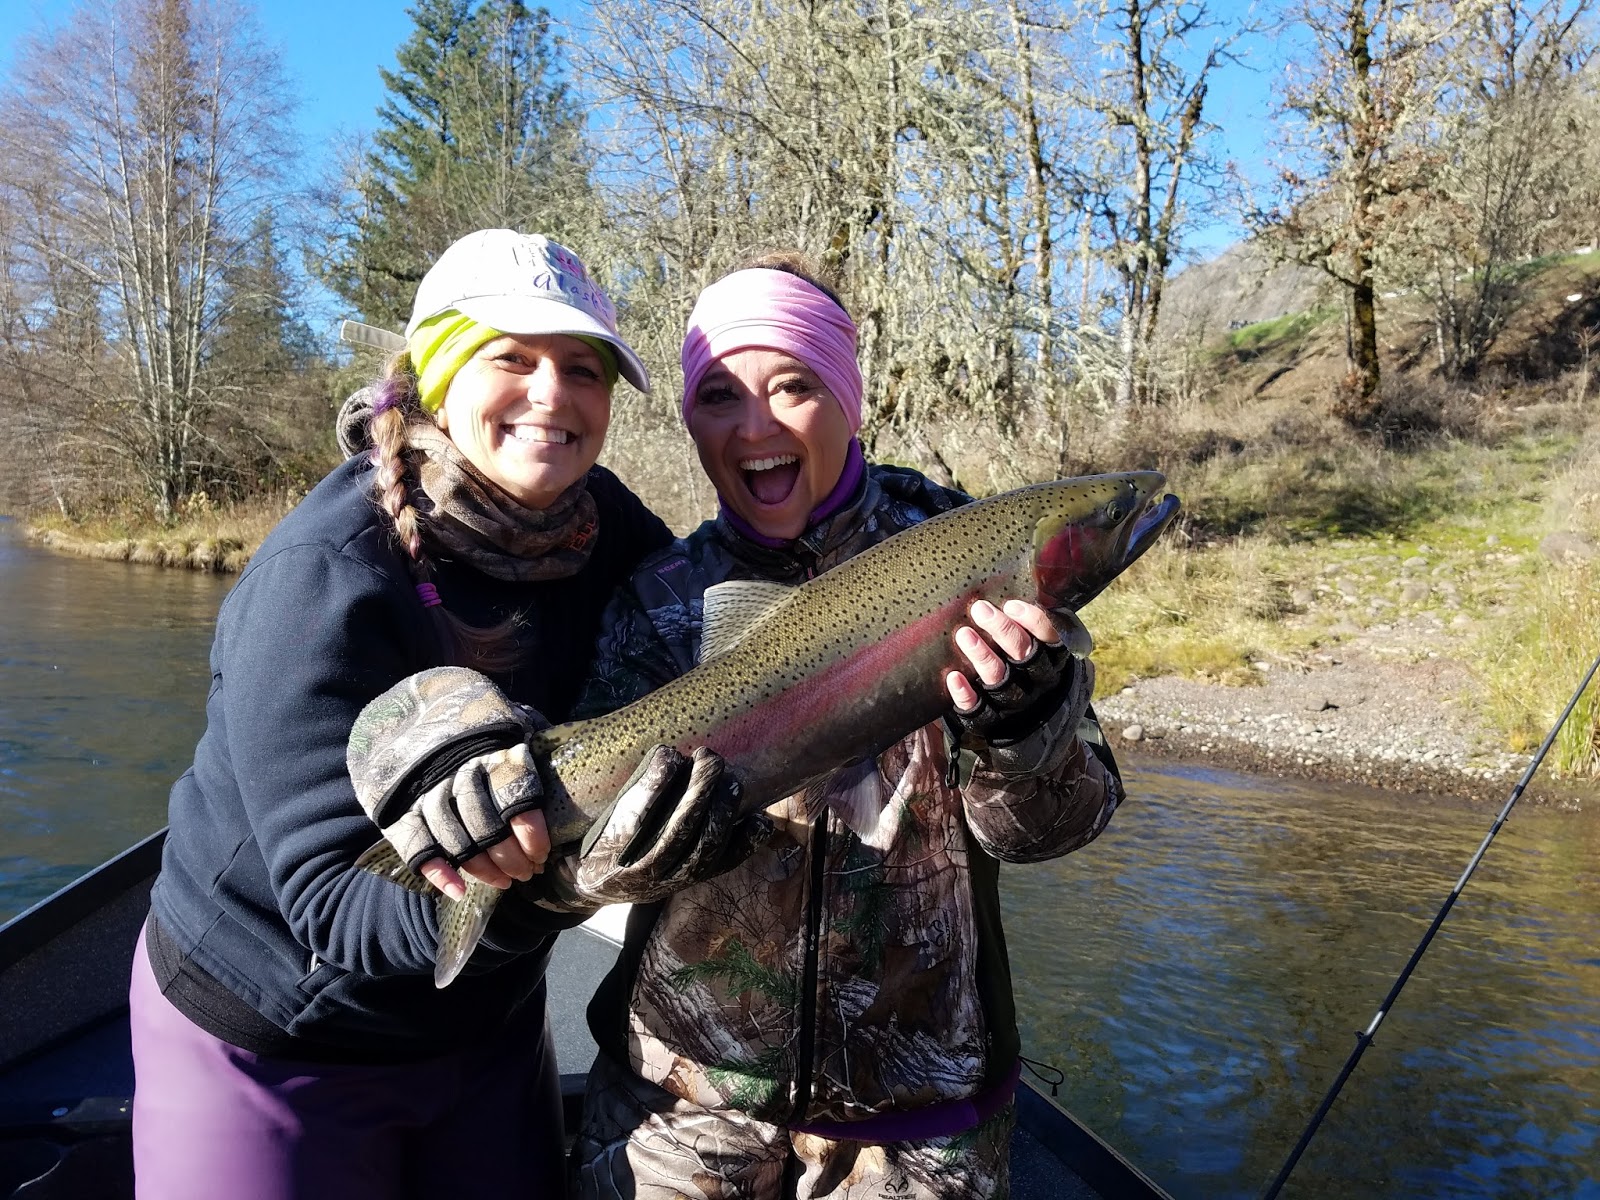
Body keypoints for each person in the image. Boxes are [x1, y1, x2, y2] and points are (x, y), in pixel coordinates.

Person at [556, 253, 1127, 1199]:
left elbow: (1063, 826)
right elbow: (575, 876)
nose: (755, 427)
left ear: (850, 396)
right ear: (690, 418)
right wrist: (641, 852)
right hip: (681, 1113)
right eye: (719, 395)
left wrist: (1025, 733)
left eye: (794, 386)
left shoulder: (973, 554)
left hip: (923, 1131)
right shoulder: (658, 598)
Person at [130, 229, 684, 1200]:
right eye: (510, 358)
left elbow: (725, 627)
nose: (552, 394)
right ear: (436, 376)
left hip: (485, 1020)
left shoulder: (610, 529)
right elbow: (335, 907)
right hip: (278, 1028)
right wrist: (551, 891)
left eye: (582, 369)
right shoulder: (325, 576)